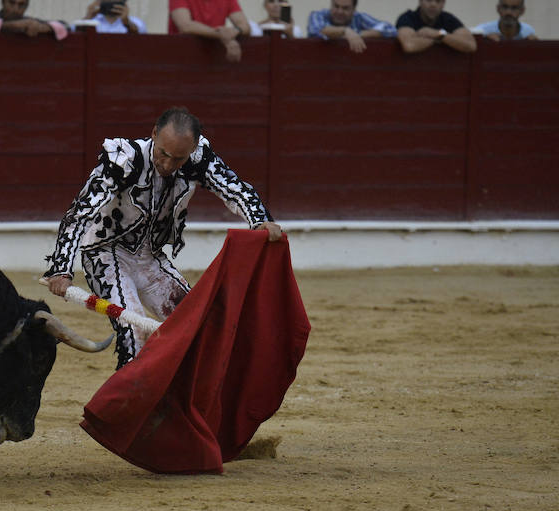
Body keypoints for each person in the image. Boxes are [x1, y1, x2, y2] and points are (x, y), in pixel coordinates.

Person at [44, 107, 283, 370]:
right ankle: (129, 407)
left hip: (151, 258)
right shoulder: (126, 160)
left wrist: (259, 219)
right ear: (154, 134)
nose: (168, 165)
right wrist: (61, 269)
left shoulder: (198, 159)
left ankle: (180, 402)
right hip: (107, 253)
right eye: (163, 154)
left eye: (178, 159)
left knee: (201, 326)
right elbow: (80, 214)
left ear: (192, 149)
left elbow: (233, 188)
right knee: (133, 333)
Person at [168, 0, 251, 63]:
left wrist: (235, 31)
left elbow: (245, 26)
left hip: (214, 59)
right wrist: (223, 36)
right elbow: (185, 26)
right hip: (183, 60)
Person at [307, 0, 396, 53]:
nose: (339, 11)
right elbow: (319, 30)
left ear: (354, 10)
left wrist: (356, 35)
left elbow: (391, 30)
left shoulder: (358, 17)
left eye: (345, 8)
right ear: (331, 5)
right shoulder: (318, 15)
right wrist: (346, 31)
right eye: (336, 6)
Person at [395, 0, 477, 54]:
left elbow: (471, 45)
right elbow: (409, 45)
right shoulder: (407, 17)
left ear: (443, 3)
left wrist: (438, 34)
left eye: (438, 1)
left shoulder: (448, 19)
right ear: (420, 1)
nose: (433, 5)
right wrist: (438, 38)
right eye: (428, 0)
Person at [0, 0, 68, 40]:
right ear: (3, 2)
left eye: (21, 5)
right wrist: (12, 26)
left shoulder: (28, 22)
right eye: (11, 3)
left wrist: (42, 27)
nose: (15, 9)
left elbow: (66, 26)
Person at [472, 0, 537, 41]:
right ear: (498, 8)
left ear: (522, 10)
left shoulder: (528, 31)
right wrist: (483, 40)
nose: (508, 12)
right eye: (504, 7)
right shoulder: (483, 31)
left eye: (514, 8)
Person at [80, 0, 146, 34]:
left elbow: (141, 43)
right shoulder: (91, 22)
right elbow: (73, 37)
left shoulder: (137, 23)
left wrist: (127, 23)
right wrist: (87, 18)